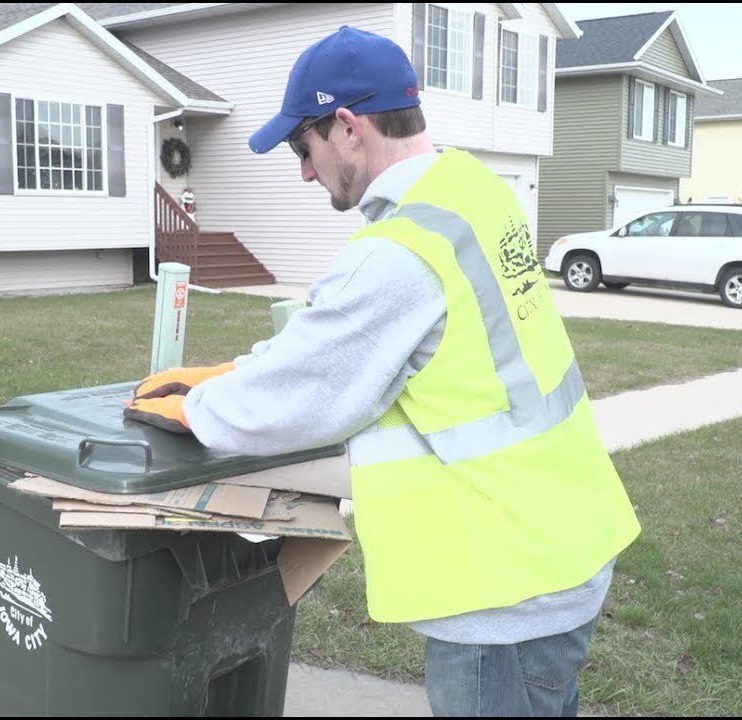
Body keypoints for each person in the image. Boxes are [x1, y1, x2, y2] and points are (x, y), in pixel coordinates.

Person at [124, 25, 642, 717]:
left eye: (301, 149)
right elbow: (348, 344)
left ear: (346, 127)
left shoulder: (400, 254)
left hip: (505, 587)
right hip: (557, 544)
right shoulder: (471, 190)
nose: (304, 171)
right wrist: (236, 368)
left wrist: (195, 409)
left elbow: (307, 395)